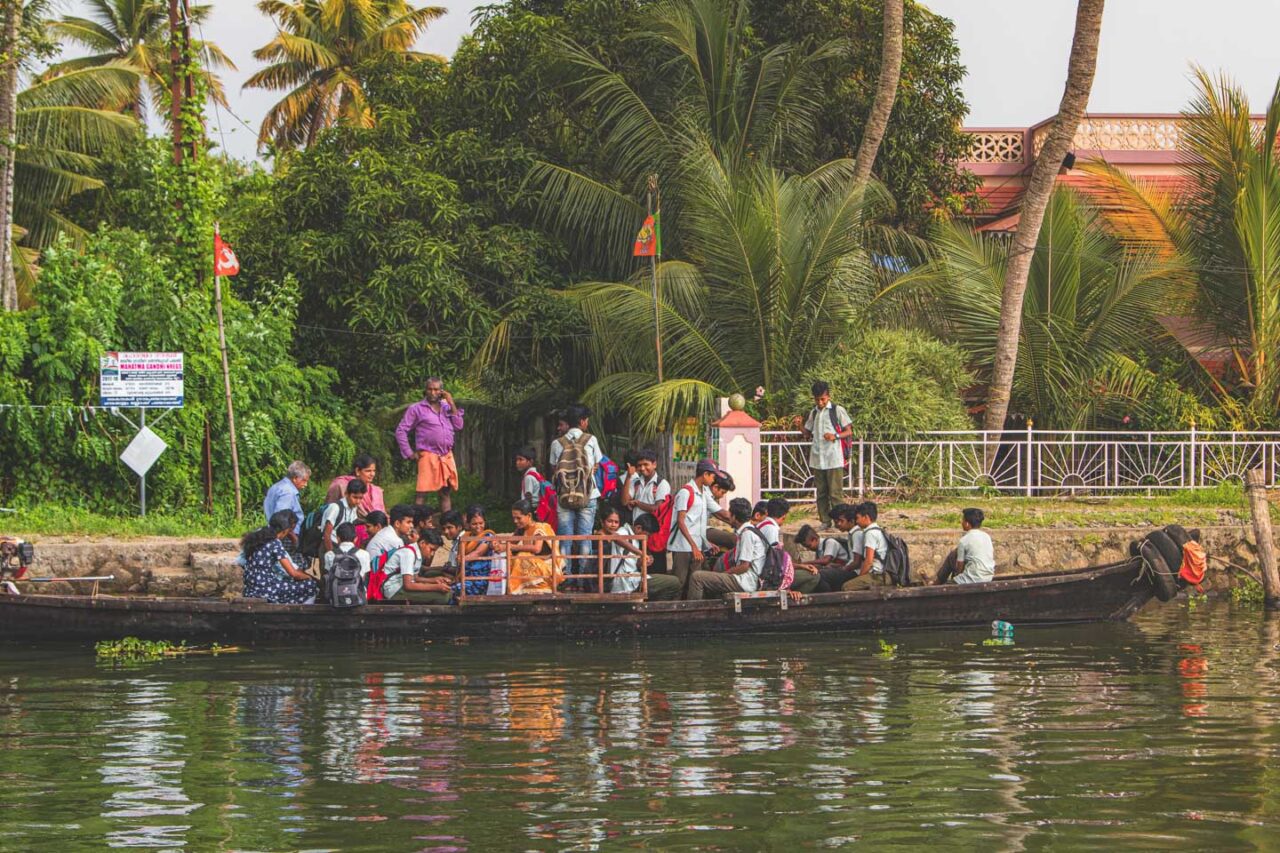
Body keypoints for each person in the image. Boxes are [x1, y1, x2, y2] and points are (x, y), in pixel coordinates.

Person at [550, 404, 604, 585]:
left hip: (564, 496)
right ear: (582, 422)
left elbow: (554, 468)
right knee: (585, 538)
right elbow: (597, 463)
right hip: (588, 494)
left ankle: (565, 579)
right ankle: (583, 580)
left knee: (565, 539)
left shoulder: (557, 443)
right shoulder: (591, 440)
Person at [395, 377, 465, 511]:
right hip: (428, 454)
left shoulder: (446, 407)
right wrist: (409, 453)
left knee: (445, 493)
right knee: (422, 493)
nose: (433, 392)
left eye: (436, 389)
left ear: (441, 391)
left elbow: (459, 425)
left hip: (446, 456)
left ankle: (447, 525)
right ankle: (414, 526)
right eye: (430, 389)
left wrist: (451, 403)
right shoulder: (416, 409)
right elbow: (401, 430)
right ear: (425, 390)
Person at [687, 498, 766, 600]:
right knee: (709, 576)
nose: (728, 517)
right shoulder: (750, 531)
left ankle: (694, 613)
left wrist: (723, 575)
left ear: (735, 517)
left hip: (745, 582)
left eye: (730, 514)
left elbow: (744, 567)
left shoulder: (747, 534)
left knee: (697, 577)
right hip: (746, 580)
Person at [667, 461, 725, 597]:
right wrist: (693, 546)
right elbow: (681, 522)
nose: (713, 480)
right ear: (705, 474)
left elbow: (698, 524)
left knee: (694, 581)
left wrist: (706, 543)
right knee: (679, 582)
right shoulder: (685, 492)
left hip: (696, 546)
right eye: (712, 476)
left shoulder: (704, 493)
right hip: (683, 547)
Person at [801, 380, 852, 528]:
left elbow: (848, 431)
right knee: (821, 493)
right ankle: (825, 520)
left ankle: (841, 521)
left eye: (822, 399)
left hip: (833, 458)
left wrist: (835, 436)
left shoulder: (837, 410)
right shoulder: (814, 412)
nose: (820, 402)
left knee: (835, 493)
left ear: (828, 396)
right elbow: (807, 433)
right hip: (818, 458)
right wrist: (799, 425)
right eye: (817, 399)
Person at [241, 509, 319, 604]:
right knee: (311, 585)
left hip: (250, 590)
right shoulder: (275, 542)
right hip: (265, 590)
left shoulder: (258, 538)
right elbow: (293, 573)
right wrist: (309, 578)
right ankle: (303, 614)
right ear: (286, 530)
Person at [507, 499, 562, 595]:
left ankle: (518, 589)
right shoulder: (521, 530)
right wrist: (497, 545)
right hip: (534, 566)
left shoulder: (540, 528)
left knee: (522, 555)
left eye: (518, 518)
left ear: (529, 516)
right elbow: (509, 544)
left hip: (547, 569)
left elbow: (537, 548)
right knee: (509, 557)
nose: (515, 521)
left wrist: (513, 547)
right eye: (514, 518)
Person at [386, 528, 452, 603]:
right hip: (394, 590)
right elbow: (408, 585)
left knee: (448, 594)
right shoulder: (408, 553)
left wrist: (434, 580)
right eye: (431, 549)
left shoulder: (417, 553)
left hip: (400, 586)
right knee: (443, 597)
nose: (432, 554)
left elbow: (415, 578)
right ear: (422, 543)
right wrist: (435, 587)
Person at [628, 515, 684, 600]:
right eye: (647, 535)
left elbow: (631, 563)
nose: (647, 539)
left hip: (634, 578)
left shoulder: (634, 538)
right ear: (638, 528)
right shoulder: (623, 533)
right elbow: (617, 538)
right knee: (675, 583)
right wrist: (641, 554)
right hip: (629, 581)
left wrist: (641, 562)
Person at [935, 508, 996, 585]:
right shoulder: (986, 536)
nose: (961, 522)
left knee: (952, 557)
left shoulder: (964, 540)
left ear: (967, 524)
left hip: (971, 580)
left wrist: (956, 577)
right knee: (955, 555)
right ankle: (938, 582)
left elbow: (959, 567)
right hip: (988, 578)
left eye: (963, 520)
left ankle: (936, 583)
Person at [842, 502, 889, 592]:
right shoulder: (878, 530)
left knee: (846, 587)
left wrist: (860, 577)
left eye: (858, 518)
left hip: (878, 575)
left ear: (866, 517)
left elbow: (868, 561)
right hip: (882, 574)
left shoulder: (870, 533)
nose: (856, 521)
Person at [816, 504, 863, 592]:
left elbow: (857, 562)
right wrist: (838, 566)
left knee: (822, 575)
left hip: (856, 572)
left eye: (841, 521)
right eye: (836, 522)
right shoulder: (852, 534)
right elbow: (852, 560)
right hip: (851, 569)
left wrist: (843, 569)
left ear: (851, 521)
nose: (838, 524)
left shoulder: (857, 534)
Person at [323, 453, 386, 519]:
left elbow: (383, 515)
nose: (372, 474)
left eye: (374, 471)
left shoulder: (377, 491)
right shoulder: (342, 485)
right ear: (357, 471)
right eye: (368, 471)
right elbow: (328, 511)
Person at [793, 522, 848, 594]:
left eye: (809, 546)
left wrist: (805, 563)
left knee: (819, 579)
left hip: (844, 571)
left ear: (815, 539)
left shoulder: (830, 542)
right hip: (833, 573)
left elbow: (826, 560)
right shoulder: (819, 549)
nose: (808, 549)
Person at [622, 448, 670, 529]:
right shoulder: (635, 482)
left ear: (654, 464)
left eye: (646, 464)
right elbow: (624, 502)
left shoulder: (662, 484)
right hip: (636, 529)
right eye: (640, 465)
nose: (642, 468)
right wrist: (628, 477)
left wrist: (637, 503)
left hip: (652, 531)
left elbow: (657, 509)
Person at [456, 505, 496, 597]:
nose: (478, 527)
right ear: (468, 524)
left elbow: (478, 552)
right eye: (474, 524)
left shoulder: (488, 536)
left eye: (481, 523)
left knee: (454, 591)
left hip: (480, 580)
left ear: (485, 522)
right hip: (465, 577)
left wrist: (463, 558)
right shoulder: (466, 537)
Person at [263, 461, 309, 537]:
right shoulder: (288, 492)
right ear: (295, 478)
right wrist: (294, 539)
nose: (306, 484)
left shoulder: (277, 486)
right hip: (286, 536)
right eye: (304, 480)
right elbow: (282, 520)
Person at [321, 479, 367, 555]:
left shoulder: (353, 508)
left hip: (341, 547)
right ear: (346, 494)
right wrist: (331, 553)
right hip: (329, 545)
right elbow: (326, 534)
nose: (358, 501)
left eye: (360, 498)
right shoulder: (335, 508)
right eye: (355, 497)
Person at [367, 504, 416, 569]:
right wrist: (413, 544)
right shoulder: (394, 540)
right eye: (408, 522)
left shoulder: (388, 532)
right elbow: (406, 565)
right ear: (397, 524)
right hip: (375, 575)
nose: (412, 526)